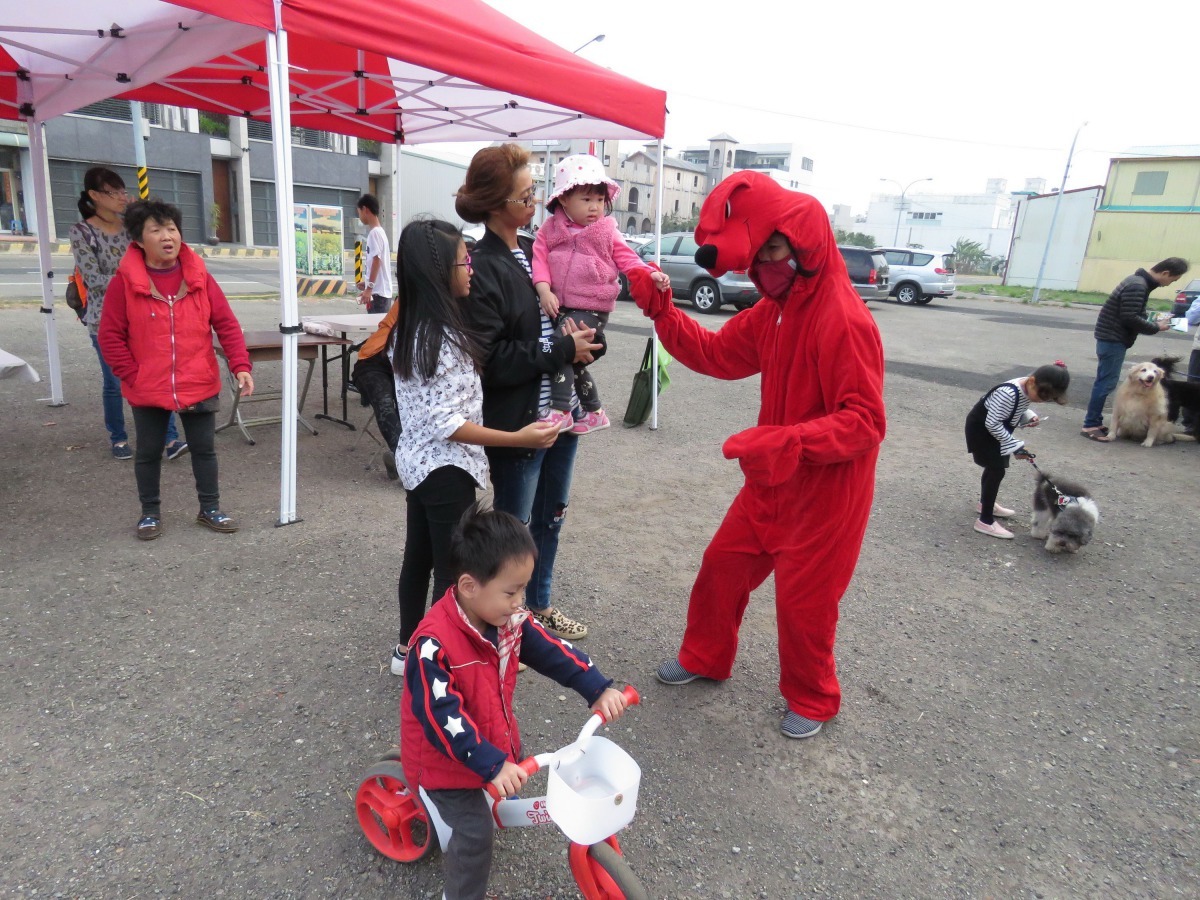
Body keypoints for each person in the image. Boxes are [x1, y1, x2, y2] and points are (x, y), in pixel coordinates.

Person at [625, 171, 886, 740]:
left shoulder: (843, 318)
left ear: (803, 244)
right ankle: (705, 655)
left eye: (773, 248)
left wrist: (794, 440)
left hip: (825, 496)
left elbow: (866, 421)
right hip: (771, 481)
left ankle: (813, 697)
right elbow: (716, 353)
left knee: (805, 605)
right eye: (761, 250)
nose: (765, 262)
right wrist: (664, 314)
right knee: (722, 568)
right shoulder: (776, 310)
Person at [401, 501, 630, 900]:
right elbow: (442, 721)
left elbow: (555, 652)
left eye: (524, 588)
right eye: (512, 591)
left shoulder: (508, 621)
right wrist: (490, 764)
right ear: (470, 586)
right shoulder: (432, 646)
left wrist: (598, 688)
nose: (520, 602)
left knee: (508, 785)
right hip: (446, 766)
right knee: (475, 835)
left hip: (493, 743)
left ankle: (496, 778)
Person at [387, 219, 559, 676]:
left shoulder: (412, 328)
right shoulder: (441, 339)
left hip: (417, 463)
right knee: (453, 574)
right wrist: (517, 438)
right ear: (440, 271)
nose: (472, 270)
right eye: (465, 261)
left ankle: (408, 652)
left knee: (419, 559)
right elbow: (450, 423)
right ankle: (452, 662)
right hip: (446, 469)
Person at [455, 143, 602, 641]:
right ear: (496, 203)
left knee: (552, 516)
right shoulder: (483, 266)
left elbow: (564, 320)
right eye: (524, 196)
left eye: (534, 192)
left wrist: (584, 344)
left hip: (562, 413)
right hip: (520, 421)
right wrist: (561, 350)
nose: (534, 203)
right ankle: (495, 622)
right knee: (513, 526)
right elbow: (491, 363)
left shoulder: (536, 250)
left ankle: (536, 606)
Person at [97, 199, 254, 541]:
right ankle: (150, 513)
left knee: (204, 449)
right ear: (139, 239)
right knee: (149, 452)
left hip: (198, 379)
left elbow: (226, 324)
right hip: (148, 386)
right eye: (156, 230)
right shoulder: (124, 282)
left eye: (171, 228)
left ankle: (209, 509)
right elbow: (109, 335)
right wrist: (132, 374)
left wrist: (240, 365)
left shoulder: (199, 277)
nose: (167, 236)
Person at [531, 153, 669, 435]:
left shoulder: (606, 230)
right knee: (576, 362)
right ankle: (594, 412)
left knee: (563, 348)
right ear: (564, 199)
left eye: (599, 200)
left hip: (592, 306)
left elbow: (627, 258)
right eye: (586, 199)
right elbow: (539, 260)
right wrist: (543, 289)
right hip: (562, 305)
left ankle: (560, 411)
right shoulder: (550, 229)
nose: (595, 207)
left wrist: (649, 274)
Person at [70, 167, 185, 461]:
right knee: (115, 380)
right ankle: (118, 437)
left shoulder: (132, 227)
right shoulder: (82, 232)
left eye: (123, 191)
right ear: (95, 196)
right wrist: (137, 280)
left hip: (145, 313)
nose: (122, 197)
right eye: (114, 192)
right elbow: (93, 279)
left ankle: (170, 439)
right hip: (103, 317)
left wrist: (140, 215)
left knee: (156, 374)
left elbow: (157, 259)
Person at [1081, 257, 1188, 441]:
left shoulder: (1137, 282)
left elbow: (1133, 313)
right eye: (1173, 280)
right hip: (1113, 338)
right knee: (1106, 382)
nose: (1170, 284)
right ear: (1165, 273)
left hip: (1111, 337)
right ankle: (1090, 424)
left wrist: (1152, 321)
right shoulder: (1138, 285)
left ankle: (1095, 421)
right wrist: (1156, 327)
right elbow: (1129, 317)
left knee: (1104, 380)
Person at [965, 362, 1070, 539]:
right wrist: (1015, 445)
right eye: (1041, 396)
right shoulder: (1008, 393)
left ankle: (985, 505)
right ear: (1031, 381)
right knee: (996, 470)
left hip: (995, 431)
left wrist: (1028, 415)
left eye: (1047, 399)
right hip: (982, 431)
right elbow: (992, 423)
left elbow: (1017, 407)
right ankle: (985, 521)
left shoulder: (1025, 387)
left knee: (994, 469)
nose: (1041, 400)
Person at [350, 302, 403, 479]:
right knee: (384, 401)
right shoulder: (415, 293)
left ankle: (405, 459)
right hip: (374, 361)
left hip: (407, 367)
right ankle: (402, 458)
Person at [355, 194, 392, 314]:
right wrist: (367, 284)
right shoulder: (381, 232)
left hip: (377, 295)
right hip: (382, 293)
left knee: (376, 331)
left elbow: (377, 260)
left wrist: (369, 288)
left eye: (359, 212)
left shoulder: (374, 234)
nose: (359, 216)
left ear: (365, 209)